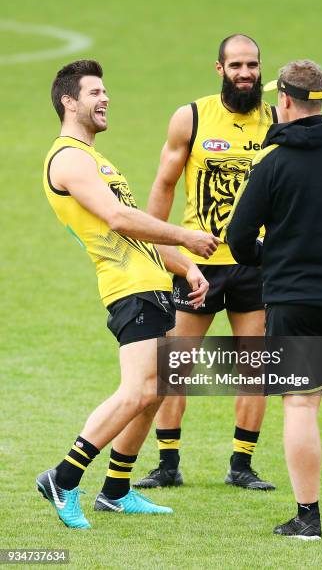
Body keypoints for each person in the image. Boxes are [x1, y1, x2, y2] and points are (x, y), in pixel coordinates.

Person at [37, 59, 219, 529]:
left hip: (152, 283)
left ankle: (116, 489)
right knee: (138, 388)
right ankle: (63, 476)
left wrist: (186, 267)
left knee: (156, 389)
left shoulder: (97, 160)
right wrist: (185, 236)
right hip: (128, 288)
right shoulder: (68, 158)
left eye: (105, 92)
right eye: (94, 93)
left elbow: (137, 230)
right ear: (68, 101)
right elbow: (118, 221)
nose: (105, 99)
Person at [227, 59, 322, 539]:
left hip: (293, 301)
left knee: (299, 403)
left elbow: (238, 237)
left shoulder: (273, 164)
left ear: (285, 101)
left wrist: (269, 259)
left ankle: (307, 518)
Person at [133, 34, 278, 491]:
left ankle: (242, 465)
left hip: (255, 262)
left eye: (252, 65)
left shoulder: (278, 119)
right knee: (176, 364)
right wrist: (159, 241)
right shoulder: (191, 117)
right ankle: (168, 462)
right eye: (236, 65)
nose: (246, 73)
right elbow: (164, 182)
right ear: (220, 69)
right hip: (200, 260)